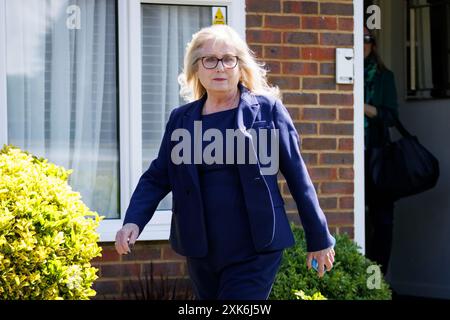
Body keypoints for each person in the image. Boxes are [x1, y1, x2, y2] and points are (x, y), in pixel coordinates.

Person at [115, 24, 335, 300]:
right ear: (196, 68)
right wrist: (133, 221)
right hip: (201, 249)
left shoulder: (267, 111)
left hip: (255, 248)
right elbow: (158, 176)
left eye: (228, 59)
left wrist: (319, 238)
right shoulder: (181, 119)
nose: (220, 67)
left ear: (240, 66)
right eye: (210, 60)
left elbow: (297, 177)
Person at [363, 27, 399, 275]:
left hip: (377, 156)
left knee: (382, 222)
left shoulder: (385, 76)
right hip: (353, 155)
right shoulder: (346, 73)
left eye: (367, 39)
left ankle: (377, 283)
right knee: (357, 221)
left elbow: (391, 117)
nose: (363, 44)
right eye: (358, 39)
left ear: (373, 44)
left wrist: (364, 107)